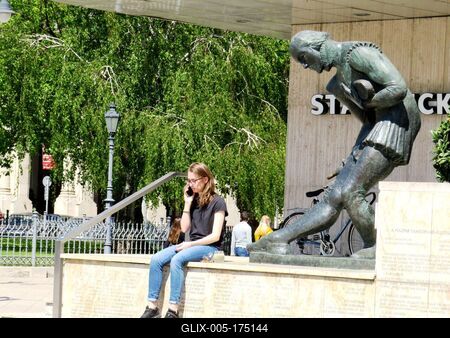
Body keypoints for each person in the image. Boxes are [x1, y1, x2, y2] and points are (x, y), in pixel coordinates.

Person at [248, 30, 421, 259]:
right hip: (378, 125)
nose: (305, 66)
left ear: (313, 48)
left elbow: (398, 87)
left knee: (351, 192)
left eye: (303, 58)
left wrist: (370, 101)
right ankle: (279, 238)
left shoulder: (359, 54)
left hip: (397, 122)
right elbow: (368, 120)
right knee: (334, 195)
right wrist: (352, 155)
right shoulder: (337, 83)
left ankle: (375, 249)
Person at [140, 162, 228, 318]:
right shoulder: (193, 201)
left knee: (177, 259)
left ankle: (173, 309)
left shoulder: (218, 202)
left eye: (194, 180)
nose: (190, 184)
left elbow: (215, 236)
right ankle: (152, 307)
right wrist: (187, 204)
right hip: (191, 245)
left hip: (210, 247)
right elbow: (185, 228)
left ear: (205, 180)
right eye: (188, 180)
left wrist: (190, 244)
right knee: (156, 259)